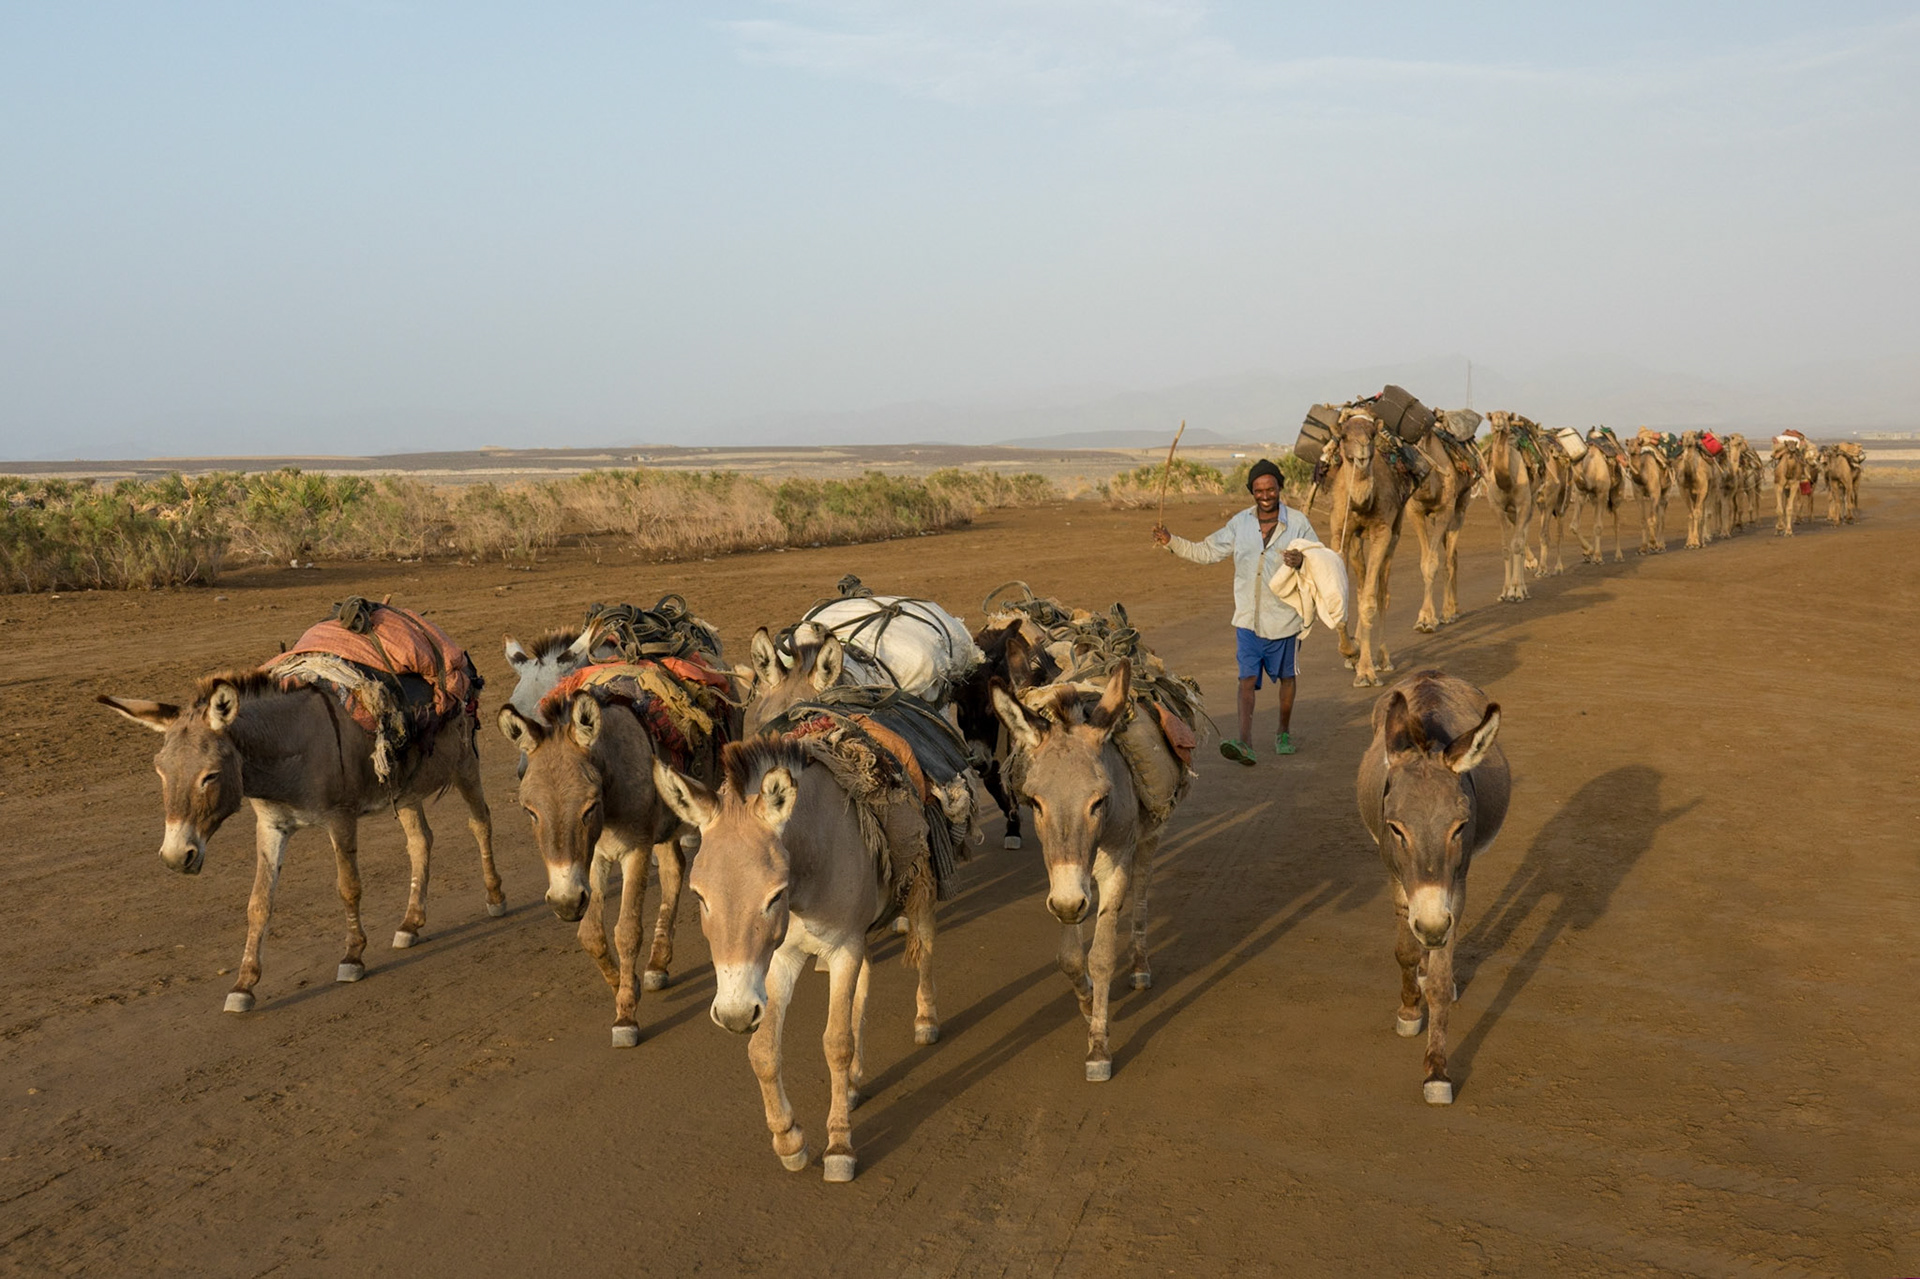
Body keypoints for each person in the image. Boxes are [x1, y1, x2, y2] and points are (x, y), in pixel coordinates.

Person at [1152, 458, 1320, 765]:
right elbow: (1207, 550)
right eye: (1259, 490)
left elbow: (1319, 560)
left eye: (1271, 488)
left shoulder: (1298, 523)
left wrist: (1302, 561)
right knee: (1245, 680)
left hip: (1285, 619)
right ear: (1252, 492)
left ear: (1279, 488)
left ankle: (1283, 732)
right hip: (1248, 620)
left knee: (1286, 679)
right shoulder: (1240, 524)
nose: (1265, 494)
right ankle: (1245, 743)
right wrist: (1171, 541)